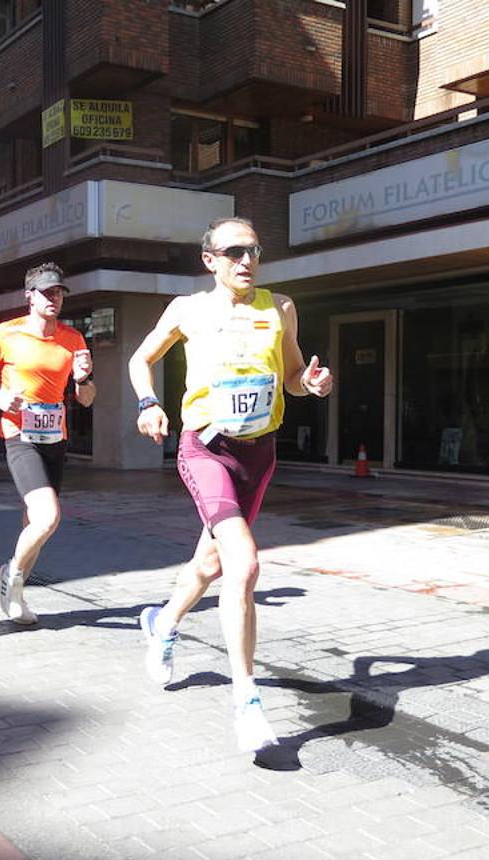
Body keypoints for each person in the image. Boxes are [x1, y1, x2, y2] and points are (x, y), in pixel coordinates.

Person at [128, 216, 332, 753]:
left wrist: (308, 384)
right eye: (234, 251)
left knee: (212, 563)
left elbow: (292, 374)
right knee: (243, 564)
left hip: (259, 454)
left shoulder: (280, 307)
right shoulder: (187, 310)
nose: (247, 260)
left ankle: (163, 623)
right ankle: (247, 703)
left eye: (254, 250)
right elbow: (139, 359)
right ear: (210, 260)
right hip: (205, 449)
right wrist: (148, 402)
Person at [0, 262, 95, 625]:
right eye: (47, 291)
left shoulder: (73, 339)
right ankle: (12, 577)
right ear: (29, 296)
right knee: (48, 516)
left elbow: (85, 399)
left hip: (55, 436)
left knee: (32, 522)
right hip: (20, 435)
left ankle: (15, 594)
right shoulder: (6, 333)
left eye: (59, 292)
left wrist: (83, 378)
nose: (55, 298)